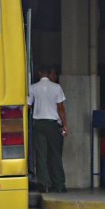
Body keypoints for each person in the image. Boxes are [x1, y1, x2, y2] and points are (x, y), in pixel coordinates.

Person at [28, 64, 68, 193]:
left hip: (38, 124)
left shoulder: (32, 88)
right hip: (52, 124)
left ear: (39, 73)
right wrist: (65, 124)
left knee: (41, 155)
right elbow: (60, 108)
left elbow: (27, 106)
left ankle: (45, 185)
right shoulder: (57, 87)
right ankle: (59, 185)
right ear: (50, 72)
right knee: (56, 155)